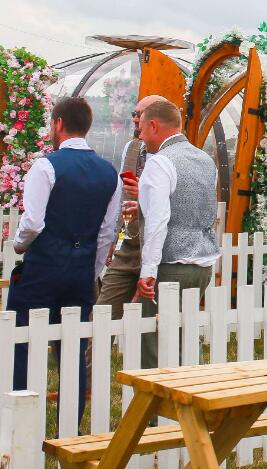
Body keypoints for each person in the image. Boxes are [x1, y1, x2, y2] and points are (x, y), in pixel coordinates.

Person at [7, 96, 121, 399]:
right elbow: (107, 232)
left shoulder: (45, 166)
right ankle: (71, 419)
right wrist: (93, 269)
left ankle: (21, 406)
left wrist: (18, 246)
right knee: (73, 347)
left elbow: (32, 223)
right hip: (81, 272)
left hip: (42, 268)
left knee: (23, 344)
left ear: (58, 124)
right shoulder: (110, 173)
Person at [134, 98, 219, 366]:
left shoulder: (159, 162)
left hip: (171, 265)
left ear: (154, 125)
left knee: (154, 347)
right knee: (184, 341)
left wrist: (148, 271)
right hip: (203, 263)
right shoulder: (205, 159)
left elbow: (158, 220)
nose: (141, 136)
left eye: (142, 129)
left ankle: (157, 407)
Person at [96, 96, 160, 319]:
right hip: (128, 243)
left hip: (157, 246)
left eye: (139, 114)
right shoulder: (131, 148)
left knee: (152, 320)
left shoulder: (172, 155)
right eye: (133, 114)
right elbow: (123, 198)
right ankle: (95, 354)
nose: (134, 119)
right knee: (104, 312)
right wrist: (117, 240)